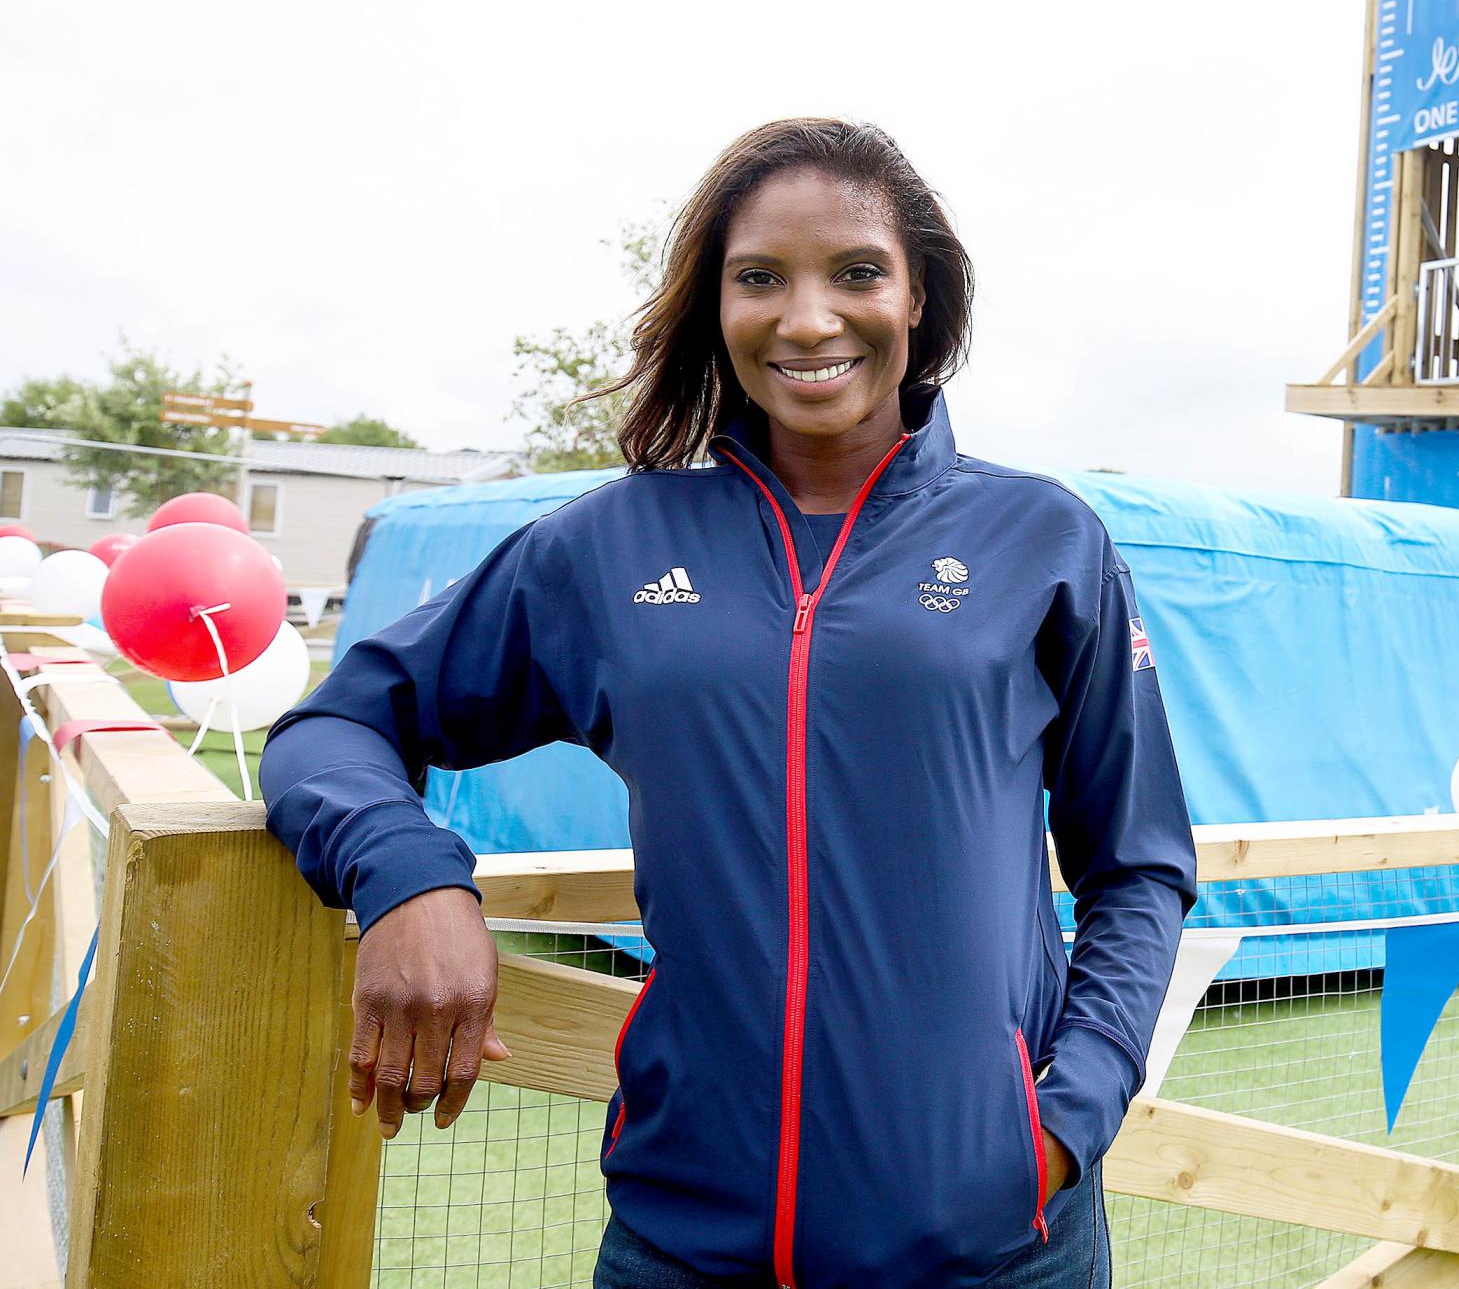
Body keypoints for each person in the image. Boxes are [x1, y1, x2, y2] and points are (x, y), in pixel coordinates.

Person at [260, 118, 1200, 1288]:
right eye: (760, 278)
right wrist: (409, 875)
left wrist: (1066, 1119)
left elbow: (1141, 862)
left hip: (1002, 1244)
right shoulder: (610, 547)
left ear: (919, 301)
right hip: (687, 1242)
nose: (808, 318)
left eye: (857, 271)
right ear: (717, 306)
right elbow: (334, 726)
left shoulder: (1044, 539)